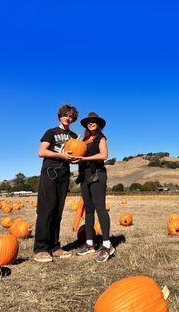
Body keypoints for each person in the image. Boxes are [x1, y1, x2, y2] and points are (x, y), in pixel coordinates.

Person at [33, 104, 79, 263]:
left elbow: (76, 152)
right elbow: (42, 152)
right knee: (47, 209)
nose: (69, 118)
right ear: (60, 116)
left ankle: (54, 246)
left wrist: (74, 158)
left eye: (72, 116)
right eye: (66, 115)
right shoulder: (51, 132)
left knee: (58, 210)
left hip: (64, 174)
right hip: (50, 172)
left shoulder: (74, 136)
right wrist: (62, 156)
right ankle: (40, 248)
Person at [76, 112, 115, 262]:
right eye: (89, 122)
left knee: (100, 207)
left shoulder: (101, 138)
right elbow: (79, 155)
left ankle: (107, 244)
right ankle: (90, 244)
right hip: (85, 177)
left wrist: (84, 158)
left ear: (98, 124)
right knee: (89, 210)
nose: (91, 123)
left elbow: (104, 155)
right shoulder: (84, 140)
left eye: (94, 121)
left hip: (98, 175)